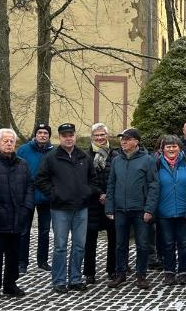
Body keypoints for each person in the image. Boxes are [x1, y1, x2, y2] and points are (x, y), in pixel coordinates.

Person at [35, 123, 97, 293]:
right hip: (59, 209)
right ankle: (59, 280)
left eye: (71, 135)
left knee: (79, 245)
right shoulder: (51, 157)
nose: (68, 138)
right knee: (60, 246)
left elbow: (93, 179)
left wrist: (87, 192)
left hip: (81, 208)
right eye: (64, 135)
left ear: (75, 136)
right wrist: (54, 194)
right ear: (59, 137)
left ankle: (75, 279)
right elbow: (40, 180)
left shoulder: (84, 156)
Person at [105, 128, 159, 290]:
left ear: (136, 141)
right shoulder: (117, 160)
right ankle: (120, 274)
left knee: (142, 244)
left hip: (140, 210)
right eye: (122, 139)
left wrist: (149, 209)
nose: (123, 142)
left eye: (127, 139)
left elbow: (154, 185)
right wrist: (109, 208)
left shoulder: (147, 160)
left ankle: (141, 275)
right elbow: (111, 185)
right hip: (121, 210)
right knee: (120, 244)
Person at [0, 128, 32, 300]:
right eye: (5, 141)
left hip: (18, 216)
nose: (9, 144)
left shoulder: (22, 164)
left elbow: (29, 186)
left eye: (12, 141)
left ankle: (10, 284)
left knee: (14, 254)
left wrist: (27, 207)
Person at [156, 135, 186, 285]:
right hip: (164, 211)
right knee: (167, 243)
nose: (171, 149)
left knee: (184, 243)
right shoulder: (157, 163)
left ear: (179, 148)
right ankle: (169, 272)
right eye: (168, 146)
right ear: (163, 149)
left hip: (184, 210)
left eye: (174, 146)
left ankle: (183, 271)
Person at [17, 123, 54, 275]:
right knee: (24, 231)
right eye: (40, 132)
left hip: (46, 196)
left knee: (44, 231)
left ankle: (42, 261)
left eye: (45, 133)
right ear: (35, 134)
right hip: (28, 195)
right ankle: (22, 262)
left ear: (49, 136)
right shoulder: (24, 149)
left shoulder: (54, 152)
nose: (43, 135)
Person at [84, 124, 118, 284]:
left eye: (102, 134)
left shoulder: (115, 154)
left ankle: (112, 269)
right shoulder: (86, 155)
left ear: (107, 135)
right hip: (93, 202)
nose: (99, 138)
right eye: (96, 135)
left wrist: (108, 195)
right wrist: (99, 193)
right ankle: (89, 272)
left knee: (114, 238)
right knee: (90, 239)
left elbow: (118, 178)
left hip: (112, 202)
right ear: (92, 137)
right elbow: (85, 180)